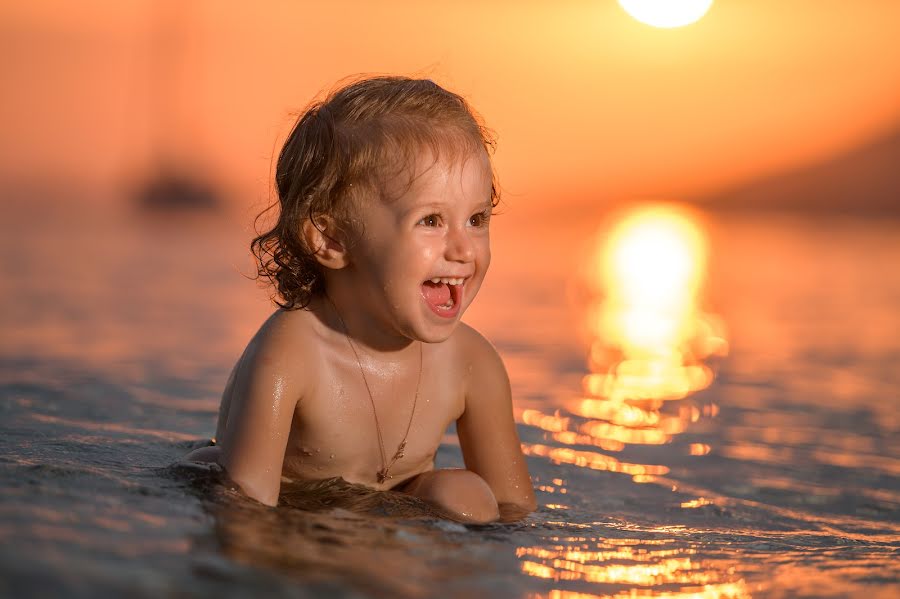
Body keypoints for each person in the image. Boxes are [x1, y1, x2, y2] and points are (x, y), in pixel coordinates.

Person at [184, 76, 536, 523]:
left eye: (476, 218)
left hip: (386, 520)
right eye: (430, 220)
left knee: (466, 495)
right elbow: (245, 511)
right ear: (331, 238)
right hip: (297, 515)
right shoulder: (293, 352)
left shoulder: (472, 363)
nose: (464, 250)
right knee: (210, 475)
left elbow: (517, 512)